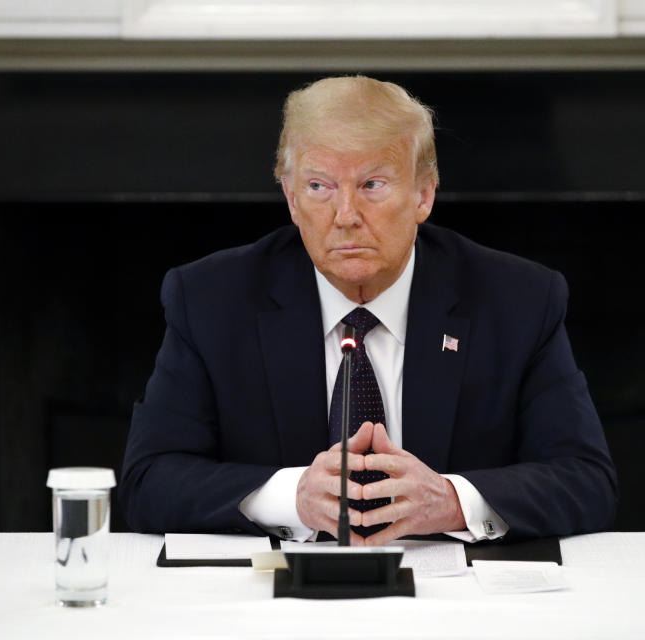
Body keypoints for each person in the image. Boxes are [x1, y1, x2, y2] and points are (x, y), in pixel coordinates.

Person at [120, 76, 617, 546]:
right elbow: (147, 481)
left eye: (373, 184)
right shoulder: (210, 299)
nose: (346, 216)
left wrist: (450, 501)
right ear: (291, 200)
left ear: (424, 194)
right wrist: (289, 498)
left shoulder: (518, 299)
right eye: (319, 187)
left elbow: (587, 480)